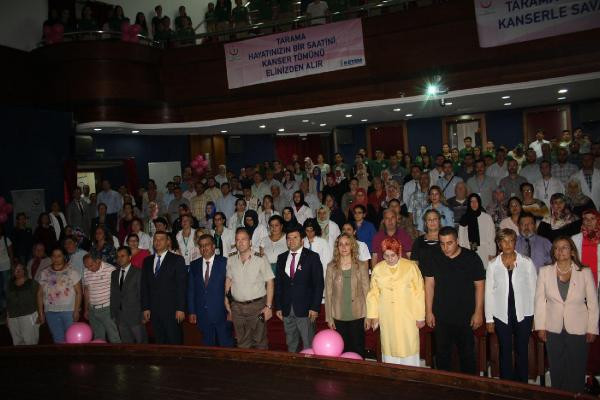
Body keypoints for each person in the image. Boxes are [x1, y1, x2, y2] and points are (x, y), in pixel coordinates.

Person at [534, 236, 599, 393]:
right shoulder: (544, 271)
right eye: (557, 248)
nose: (560, 251)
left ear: (572, 251)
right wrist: (540, 327)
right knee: (556, 368)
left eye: (564, 247)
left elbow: (593, 302)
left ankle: (576, 395)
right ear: (553, 252)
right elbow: (539, 301)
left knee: (577, 368)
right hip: (552, 327)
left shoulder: (584, 272)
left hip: (579, 327)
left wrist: (592, 328)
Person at [423, 226, 485, 374]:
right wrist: (428, 311)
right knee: (442, 356)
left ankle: (469, 386)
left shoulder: (471, 258)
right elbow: (429, 285)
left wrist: (478, 312)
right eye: (442, 244)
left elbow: (480, 286)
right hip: (441, 316)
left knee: (467, 356)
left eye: (449, 243)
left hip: (465, 316)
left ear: (457, 241)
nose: (445, 248)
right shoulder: (433, 257)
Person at [485, 229, 537, 382]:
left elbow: (535, 291)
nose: (508, 244)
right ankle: (506, 385)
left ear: (515, 242)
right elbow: (489, 293)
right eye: (504, 241)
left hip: (524, 313)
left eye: (511, 240)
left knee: (522, 350)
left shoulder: (527, 262)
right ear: (499, 244)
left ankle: (522, 385)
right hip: (501, 314)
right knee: (505, 350)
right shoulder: (493, 265)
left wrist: (537, 317)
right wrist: (489, 319)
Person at [367, 237, 425, 365]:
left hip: (408, 316)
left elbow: (419, 293)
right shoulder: (378, 269)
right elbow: (373, 294)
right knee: (389, 346)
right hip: (387, 316)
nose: (389, 259)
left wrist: (420, 316)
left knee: (409, 345)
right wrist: (374, 316)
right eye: (386, 256)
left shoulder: (410, 267)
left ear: (399, 252)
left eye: (393, 255)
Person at [275, 226, 324, 352]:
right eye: (288, 238)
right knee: (291, 343)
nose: (291, 241)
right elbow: (278, 284)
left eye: (295, 237)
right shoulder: (281, 258)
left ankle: (309, 364)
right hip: (286, 308)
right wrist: (278, 306)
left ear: (302, 240)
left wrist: (315, 307)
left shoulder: (312, 257)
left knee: (308, 344)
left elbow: (318, 284)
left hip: (306, 309)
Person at [225, 228, 275, 349]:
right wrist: (226, 301)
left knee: (260, 341)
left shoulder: (261, 258)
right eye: (237, 240)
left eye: (244, 239)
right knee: (241, 342)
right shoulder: (231, 259)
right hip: (237, 308)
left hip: (257, 307)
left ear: (250, 242)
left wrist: (268, 306)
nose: (240, 242)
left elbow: (270, 282)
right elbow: (229, 280)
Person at [325, 233, 369, 357]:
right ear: (337, 247)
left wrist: (369, 316)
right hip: (339, 316)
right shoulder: (331, 267)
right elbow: (328, 293)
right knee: (342, 350)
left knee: (358, 349)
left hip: (358, 315)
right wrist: (329, 317)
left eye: (347, 244)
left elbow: (367, 292)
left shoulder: (361, 266)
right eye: (340, 244)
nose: (344, 247)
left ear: (352, 246)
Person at [141, 231, 187, 344]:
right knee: (159, 341)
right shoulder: (147, 261)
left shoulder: (177, 260)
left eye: (161, 239)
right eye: (155, 239)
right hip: (154, 310)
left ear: (168, 242)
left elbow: (181, 286)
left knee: (174, 341)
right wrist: (146, 307)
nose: (158, 241)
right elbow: (144, 286)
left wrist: (181, 308)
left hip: (172, 310)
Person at [188, 235, 234, 347]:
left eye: (207, 245)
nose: (204, 248)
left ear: (213, 246)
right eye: (201, 246)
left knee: (226, 345)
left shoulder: (225, 262)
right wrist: (192, 311)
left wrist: (231, 310)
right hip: (202, 314)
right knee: (208, 348)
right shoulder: (194, 265)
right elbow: (191, 290)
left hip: (222, 313)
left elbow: (231, 289)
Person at [36, 247, 82, 343]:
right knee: (57, 339)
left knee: (71, 339)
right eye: (54, 256)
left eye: (59, 256)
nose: (56, 258)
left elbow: (79, 292)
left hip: (68, 311)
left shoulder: (72, 271)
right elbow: (39, 293)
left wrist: (76, 311)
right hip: (50, 311)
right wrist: (40, 313)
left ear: (64, 257)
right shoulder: (44, 272)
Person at [110, 246, 146, 343]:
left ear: (130, 257)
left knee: (141, 342)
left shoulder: (138, 272)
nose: (120, 259)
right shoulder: (114, 274)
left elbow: (142, 294)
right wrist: (113, 313)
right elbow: (113, 294)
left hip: (135, 315)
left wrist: (143, 314)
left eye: (123, 256)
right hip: (120, 316)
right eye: (118, 256)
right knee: (126, 344)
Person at [83, 253, 121, 343]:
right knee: (98, 337)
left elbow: (117, 290)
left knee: (114, 337)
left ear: (98, 261)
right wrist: (86, 309)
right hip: (92, 309)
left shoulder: (110, 269)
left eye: (91, 265)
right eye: (86, 266)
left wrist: (115, 308)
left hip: (107, 309)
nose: (89, 269)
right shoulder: (86, 271)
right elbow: (87, 291)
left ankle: (118, 352)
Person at [6, 263, 41, 345]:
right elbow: (9, 302)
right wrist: (8, 317)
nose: (18, 271)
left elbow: (39, 298)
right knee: (17, 342)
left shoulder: (32, 283)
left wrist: (40, 314)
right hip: (13, 317)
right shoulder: (9, 285)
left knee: (30, 341)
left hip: (28, 315)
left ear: (24, 270)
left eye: (20, 269)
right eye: (16, 269)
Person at [458, 193, 496, 266]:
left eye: (476, 201)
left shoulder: (487, 217)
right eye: (471, 201)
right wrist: (463, 254)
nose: (474, 204)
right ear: (469, 203)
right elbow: (461, 238)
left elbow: (491, 237)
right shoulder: (464, 218)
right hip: (468, 251)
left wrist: (492, 253)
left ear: (479, 203)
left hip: (485, 251)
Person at [572, 209, 600, 288]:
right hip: (581, 275)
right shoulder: (574, 238)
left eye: (592, 218)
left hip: (597, 274)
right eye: (586, 219)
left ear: (598, 220)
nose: (589, 221)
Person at [411, 209, 442, 273]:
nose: (432, 221)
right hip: (423, 276)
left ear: (439, 221)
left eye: (435, 219)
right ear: (425, 223)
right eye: (429, 219)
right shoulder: (418, 241)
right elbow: (414, 263)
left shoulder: (446, 239)